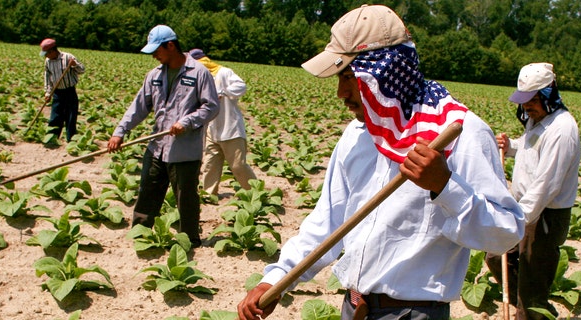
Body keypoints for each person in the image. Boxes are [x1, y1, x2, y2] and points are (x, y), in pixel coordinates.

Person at [237, 5, 525, 320]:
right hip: (354, 308)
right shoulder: (356, 136)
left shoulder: (459, 133)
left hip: (413, 315)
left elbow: (506, 232)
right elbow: (327, 224)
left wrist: (444, 186)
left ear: (384, 73)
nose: (341, 92)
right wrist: (276, 280)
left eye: (349, 77)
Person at [107, 25, 219, 248]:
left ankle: (189, 240)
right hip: (157, 146)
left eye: (156, 51)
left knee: (185, 197)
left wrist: (186, 122)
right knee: (147, 190)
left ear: (170, 45)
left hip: (185, 150)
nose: (154, 56)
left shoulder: (199, 73)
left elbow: (211, 107)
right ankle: (139, 235)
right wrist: (120, 132)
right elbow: (139, 107)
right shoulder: (154, 75)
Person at [485, 63, 580, 320]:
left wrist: (515, 220)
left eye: (533, 100)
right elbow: (530, 151)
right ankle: (530, 302)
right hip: (524, 209)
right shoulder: (538, 120)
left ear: (549, 95)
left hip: (543, 216)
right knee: (495, 256)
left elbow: (546, 186)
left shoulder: (562, 129)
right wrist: (511, 146)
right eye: (524, 100)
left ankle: (531, 307)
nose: (527, 106)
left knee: (532, 280)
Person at [188, 48, 257, 196]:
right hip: (211, 129)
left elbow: (241, 86)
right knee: (209, 164)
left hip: (230, 128)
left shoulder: (224, 72)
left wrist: (222, 92)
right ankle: (208, 194)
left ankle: (256, 192)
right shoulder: (199, 78)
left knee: (238, 166)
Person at [39, 38, 85, 142]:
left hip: (69, 91)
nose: (46, 56)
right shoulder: (48, 61)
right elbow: (47, 77)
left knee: (70, 116)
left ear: (52, 51)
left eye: (47, 53)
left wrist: (75, 65)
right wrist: (48, 92)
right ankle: (52, 138)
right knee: (55, 116)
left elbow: (82, 70)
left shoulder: (68, 57)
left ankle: (71, 139)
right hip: (57, 92)